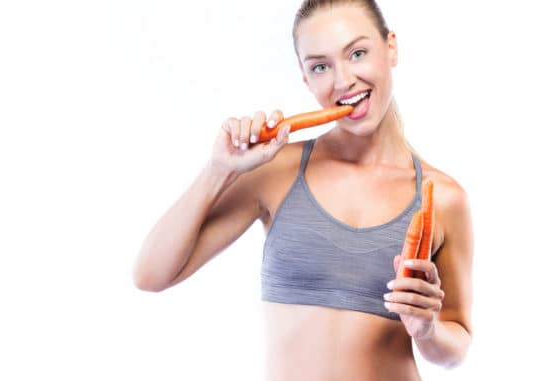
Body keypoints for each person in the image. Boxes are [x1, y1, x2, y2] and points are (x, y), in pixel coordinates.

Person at [133, 1, 474, 379]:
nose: (343, 81)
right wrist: (218, 171)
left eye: (357, 53)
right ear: (305, 77)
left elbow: (455, 347)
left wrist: (426, 329)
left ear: (390, 47)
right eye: (320, 66)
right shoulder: (276, 170)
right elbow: (150, 275)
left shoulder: (441, 196)